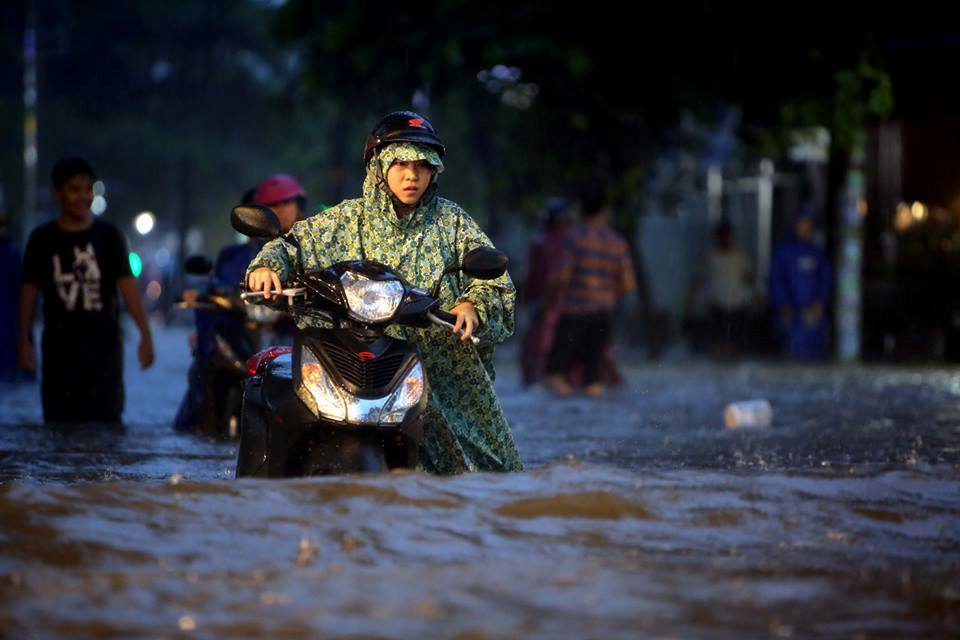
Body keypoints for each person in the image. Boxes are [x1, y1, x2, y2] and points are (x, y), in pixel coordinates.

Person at [246, 111, 522, 474]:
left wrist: (474, 303)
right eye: (401, 163)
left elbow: (495, 281)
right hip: (353, 358)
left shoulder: (452, 223)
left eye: (423, 165)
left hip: (443, 371)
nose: (412, 175)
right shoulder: (344, 221)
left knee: (495, 479)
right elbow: (290, 246)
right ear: (378, 167)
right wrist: (266, 269)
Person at [18, 157, 154, 423]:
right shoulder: (42, 239)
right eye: (74, 189)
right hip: (59, 350)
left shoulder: (109, 236)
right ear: (58, 193)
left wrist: (145, 334)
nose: (82, 196)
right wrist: (23, 341)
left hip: (104, 349)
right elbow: (29, 291)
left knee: (107, 427)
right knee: (59, 428)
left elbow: (127, 286)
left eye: (87, 189)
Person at [543, 187, 635, 397]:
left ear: (581, 209)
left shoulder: (575, 238)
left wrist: (549, 302)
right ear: (604, 210)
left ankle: (568, 425)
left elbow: (561, 277)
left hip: (574, 315)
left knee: (555, 377)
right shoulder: (616, 242)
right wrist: (607, 296)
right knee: (593, 382)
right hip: (603, 316)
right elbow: (628, 284)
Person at [520, 197, 573, 386]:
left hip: (547, 306)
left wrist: (529, 301)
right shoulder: (576, 241)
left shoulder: (541, 244)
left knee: (537, 352)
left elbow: (533, 280)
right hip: (575, 306)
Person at [769, 206, 832, 360]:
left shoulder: (817, 253)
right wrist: (782, 304)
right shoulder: (783, 252)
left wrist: (819, 301)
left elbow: (825, 278)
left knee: (813, 351)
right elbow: (775, 280)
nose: (803, 227)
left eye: (807, 224)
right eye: (801, 223)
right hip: (790, 314)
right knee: (789, 351)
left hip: (811, 314)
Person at [687, 221, 756, 357]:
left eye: (727, 236)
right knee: (718, 344)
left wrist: (756, 295)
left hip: (737, 305)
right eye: (722, 236)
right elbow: (697, 280)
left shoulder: (740, 256)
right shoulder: (709, 256)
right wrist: (691, 301)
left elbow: (750, 278)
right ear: (717, 237)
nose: (725, 239)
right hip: (716, 305)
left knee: (734, 344)